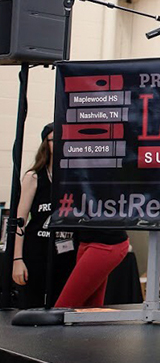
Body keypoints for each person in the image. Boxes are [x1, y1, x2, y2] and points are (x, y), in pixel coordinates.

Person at [10, 123, 77, 308]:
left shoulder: (75, 177)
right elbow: (19, 221)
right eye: (54, 140)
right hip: (37, 251)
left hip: (66, 252)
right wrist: (17, 260)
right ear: (45, 144)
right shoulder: (34, 177)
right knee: (33, 305)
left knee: (63, 307)